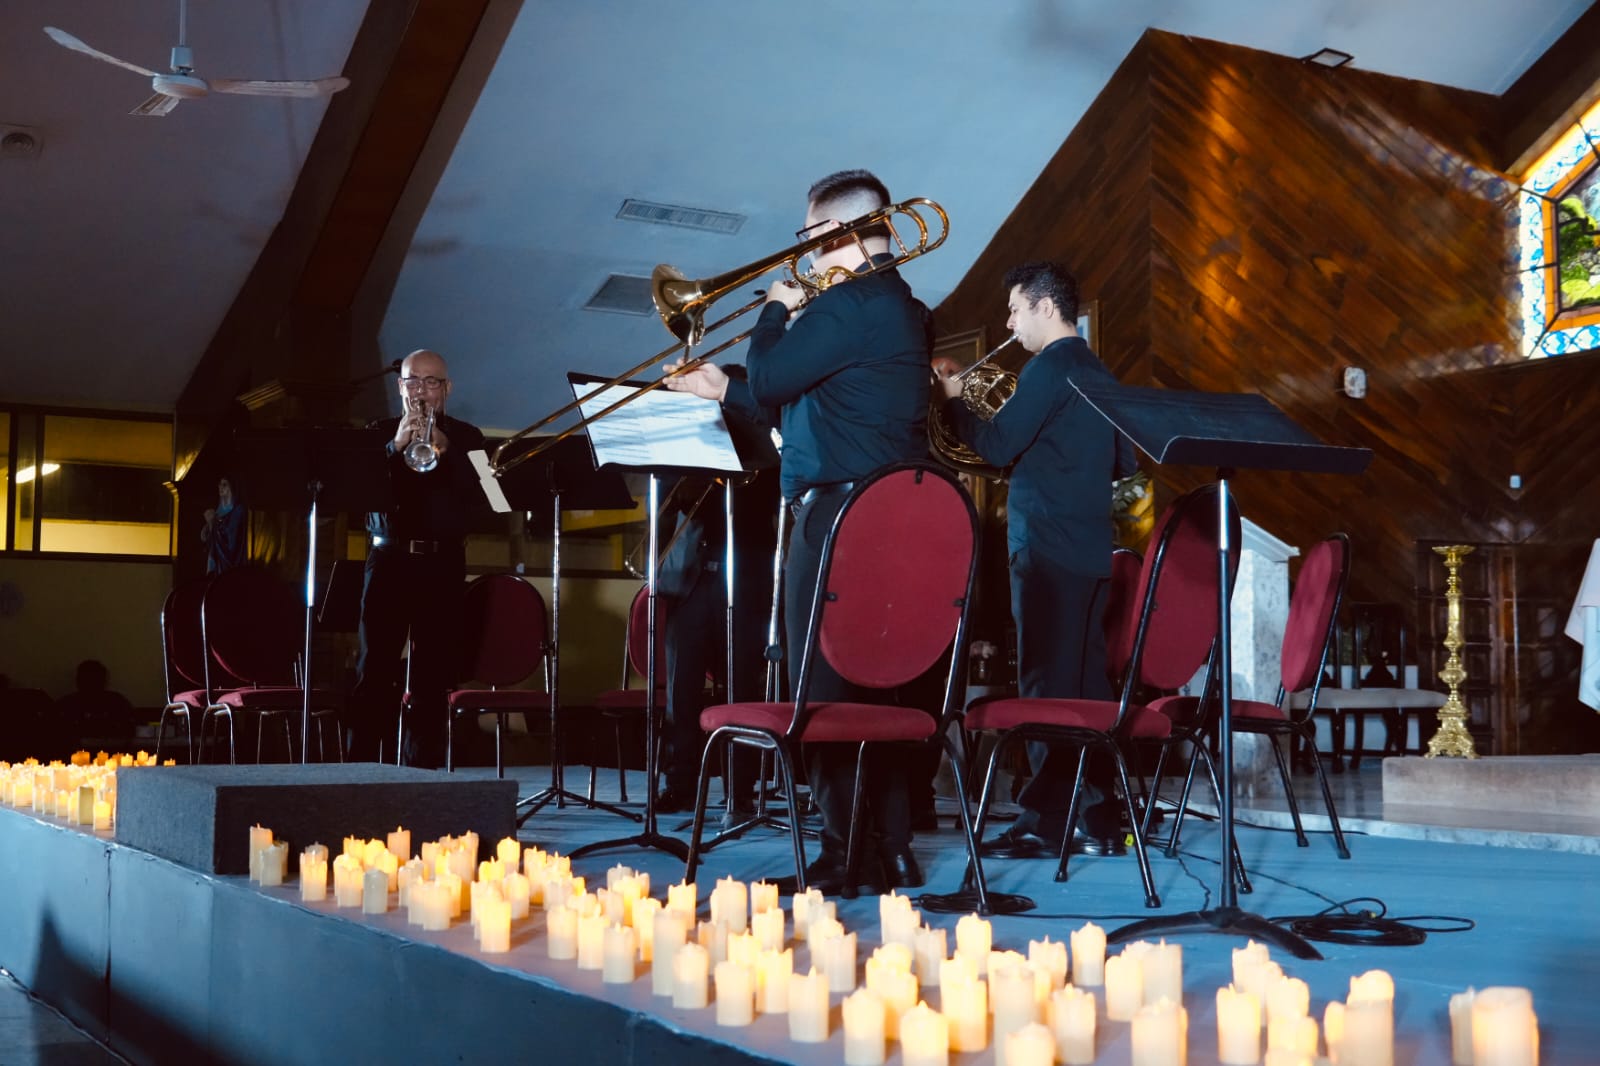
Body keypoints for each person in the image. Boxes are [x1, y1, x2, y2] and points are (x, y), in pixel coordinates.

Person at [666, 168, 934, 893]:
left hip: (837, 518)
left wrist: (775, 312)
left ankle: (843, 857)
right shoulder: (897, 305)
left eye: (811, 237)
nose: (806, 255)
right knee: (876, 689)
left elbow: (778, 375)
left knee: (823, 691)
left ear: (838, 232)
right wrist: (722, 388)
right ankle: (888, 847)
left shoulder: (840, 306)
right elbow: (820, 405)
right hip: (882, 515)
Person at [935, 260, 1137, 859]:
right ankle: (1097, 816)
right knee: (1087, 685)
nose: (1010, 321)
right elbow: (1124, 463)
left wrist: (952, 402)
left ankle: (1045, 820)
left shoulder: (1047, 368)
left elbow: (997, 445)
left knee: (1046, 685)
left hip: (1045, 547)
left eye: (1016, 309)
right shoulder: (1099, 370)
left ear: (1047, 308)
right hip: (1093, 549)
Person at [348, 349, 486, 769]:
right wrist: (395, 448)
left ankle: (421, 773)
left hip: (442, 566)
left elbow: (492, 502)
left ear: (447, 389)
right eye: (413, 382)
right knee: (375, 670)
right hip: (388, 562)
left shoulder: (471, 437)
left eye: (431, 382)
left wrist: (450, 452)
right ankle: (361, 771)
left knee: (433, 676)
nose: (421, 391)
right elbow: (359, 502)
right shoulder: (378, 433)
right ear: (400, 386)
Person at [201, 476, 247, 574]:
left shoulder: (238, 511)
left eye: (225, 485)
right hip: (216, 562)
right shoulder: (218, 511)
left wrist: (213, 523)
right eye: (220, 484)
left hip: (229, 563)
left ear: (232, 488)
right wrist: (209, 525)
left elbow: (231, 537)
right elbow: (207, 539)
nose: (220, 487)